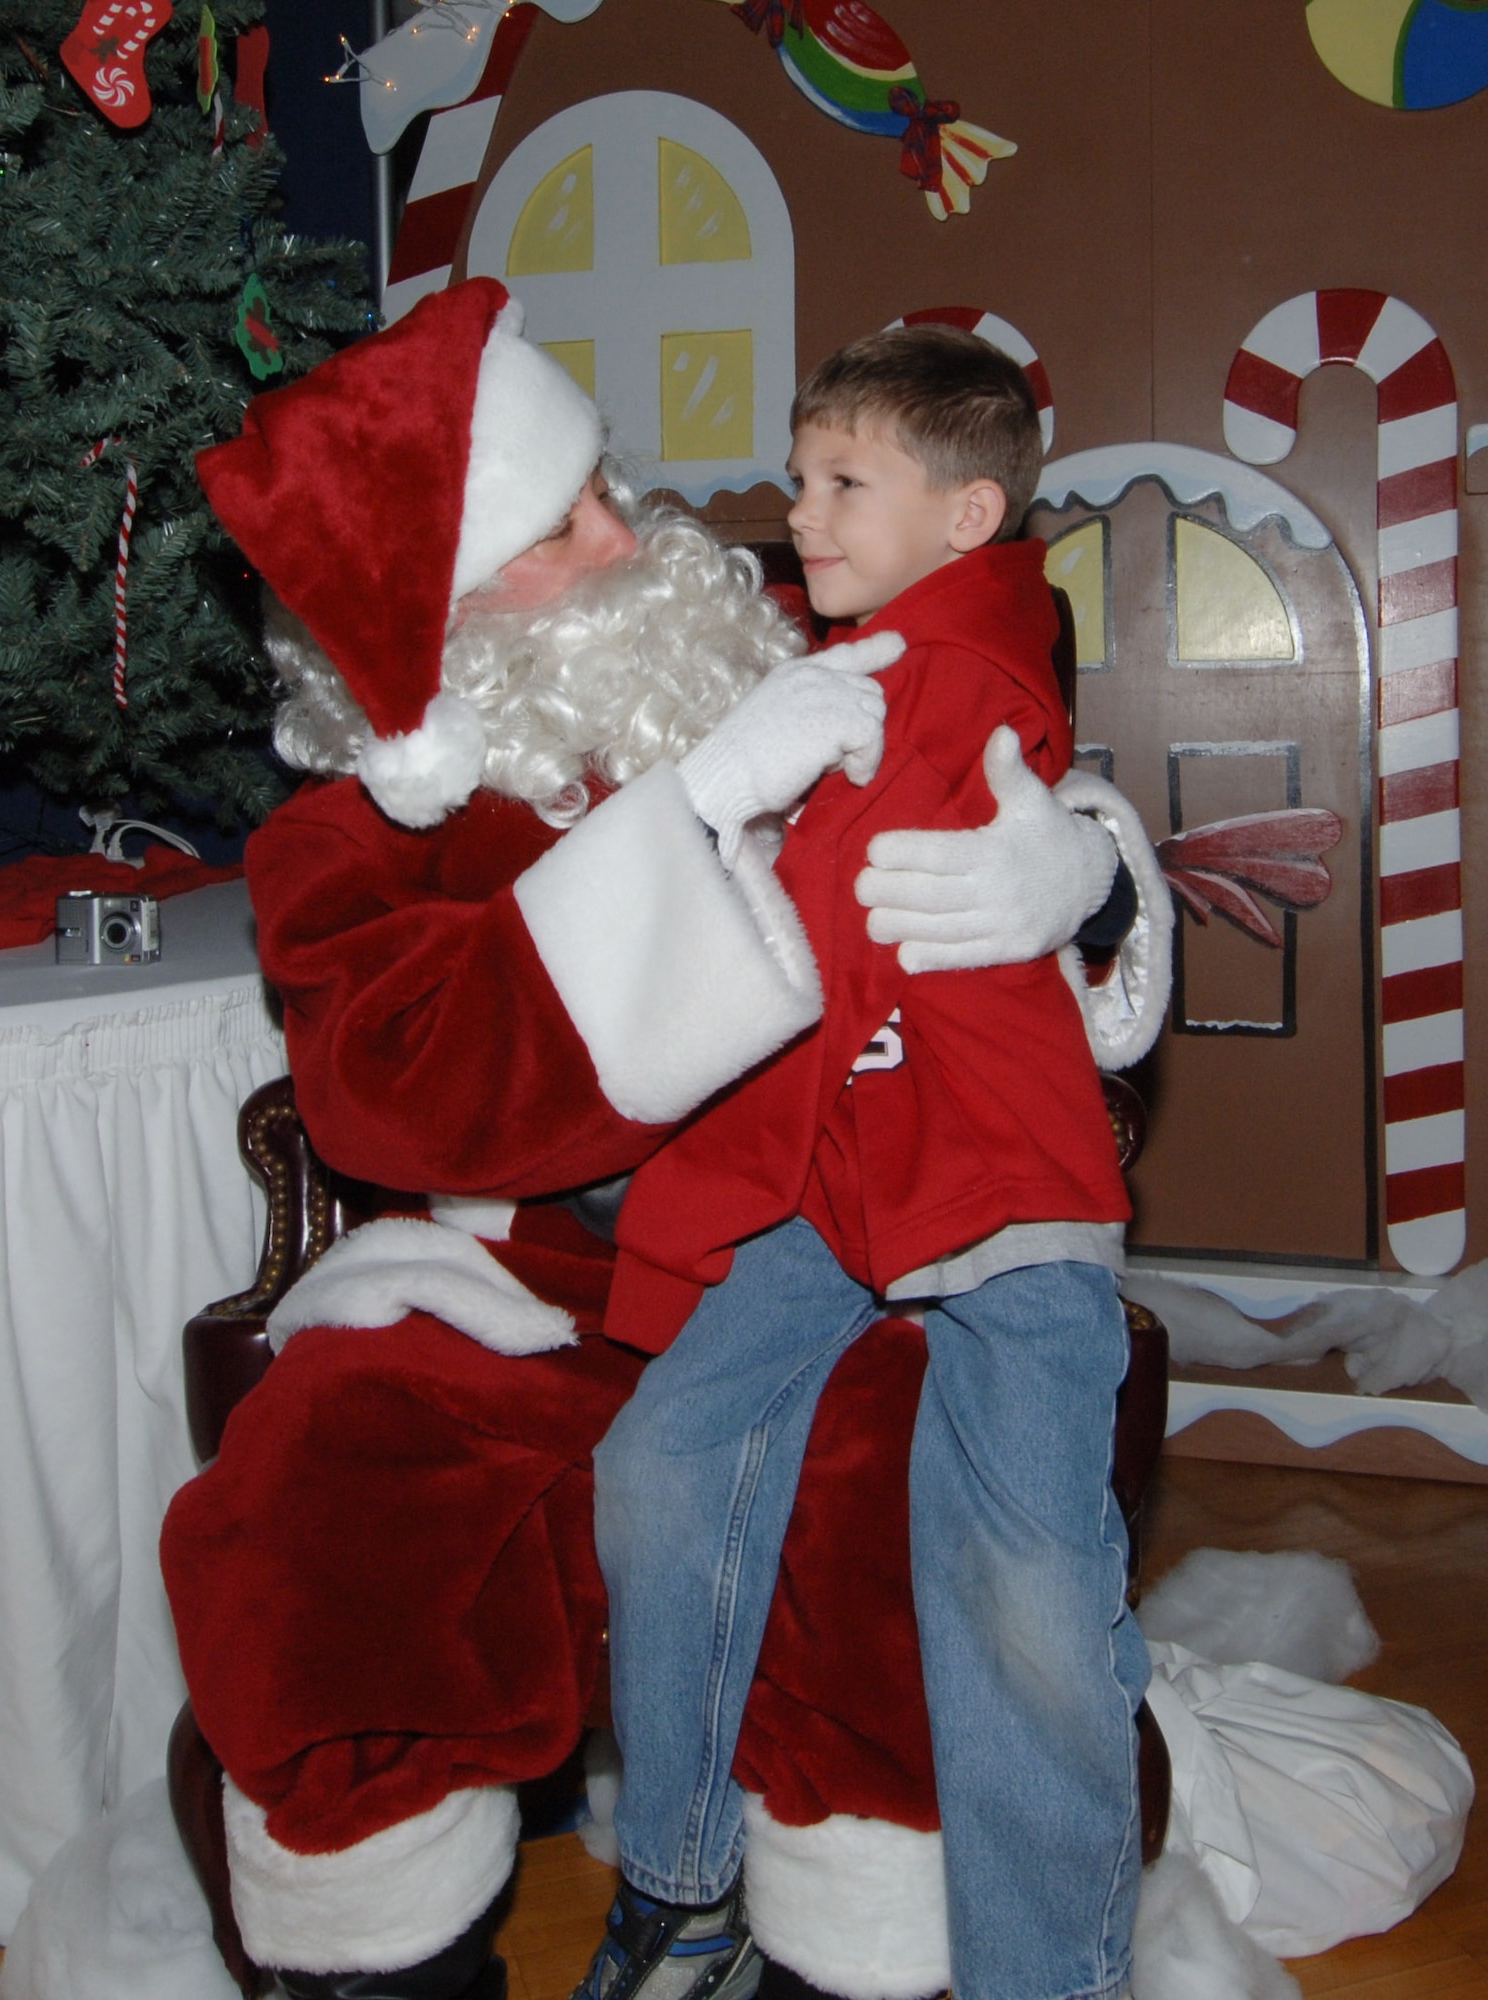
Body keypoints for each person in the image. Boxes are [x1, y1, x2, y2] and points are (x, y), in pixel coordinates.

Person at [159, 281, 1169, 2000]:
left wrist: (1078, 875)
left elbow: (998, 693)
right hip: (527, 1281)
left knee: (881, 1463)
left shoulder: (768, 634)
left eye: (603, 484)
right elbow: (392, 1088)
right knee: (331, 1477)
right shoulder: (352, 838)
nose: (636, 536)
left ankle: (855, 1948)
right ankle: (377, 1954)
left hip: (816, 1234)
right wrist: (685, 818)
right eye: (565, 526)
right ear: (440, 613)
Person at [589, 325, 1152, 2000]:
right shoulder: (845, 666)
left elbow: (814, 908)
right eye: (800, 471)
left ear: (970, 515)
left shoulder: (961, 668)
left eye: (847, 482)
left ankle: (1050, 1980)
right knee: (664, 1463)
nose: (802, 505)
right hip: (828, 1167)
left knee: (1028, 1595)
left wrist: (1087, 877)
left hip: (991, 1180)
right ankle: (684, 1883)